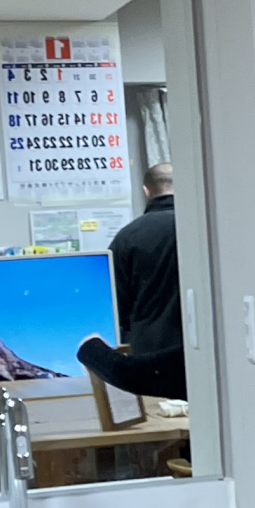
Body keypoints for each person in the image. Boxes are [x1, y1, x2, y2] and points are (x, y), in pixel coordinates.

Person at [76, 161, 187, 400]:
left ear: (146, 191)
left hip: (149, 354)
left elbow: (118, 304)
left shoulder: (128, 236)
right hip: (199, 349)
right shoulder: (200, 229)